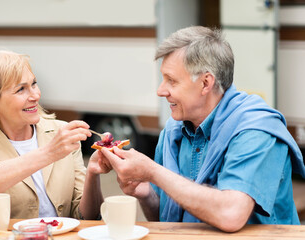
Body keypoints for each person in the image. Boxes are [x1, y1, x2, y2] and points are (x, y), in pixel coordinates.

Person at [100, 26, 305, 232]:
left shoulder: (256, 129)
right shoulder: (173, 130)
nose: (161, 90)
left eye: (171, 80)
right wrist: (145, 193)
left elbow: (231, 215)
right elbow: (166, 221)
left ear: (206, 83)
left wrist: (153, 172)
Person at [0, 50, 109, 219]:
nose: (35, 95)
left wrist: (92, 175)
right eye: (21, 89)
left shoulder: (62, 133)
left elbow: (86, 216)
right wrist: (48, 153)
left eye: (34, 84)